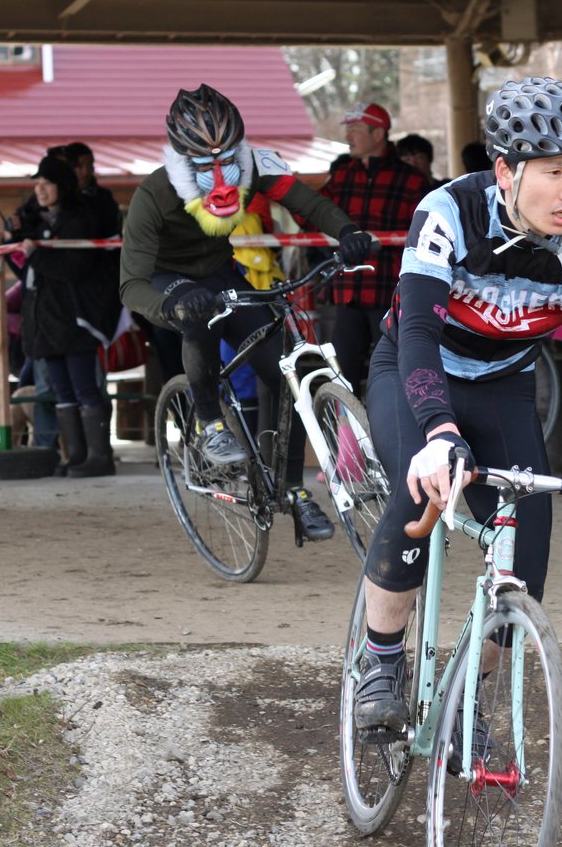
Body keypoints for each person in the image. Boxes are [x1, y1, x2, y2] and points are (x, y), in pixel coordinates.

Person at [351, 77, 562, 745]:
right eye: (553, 172)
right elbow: (418, 333)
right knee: (416, 496)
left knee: (525, 562)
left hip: (504, 386)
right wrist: (437, 432)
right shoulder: (447, 213)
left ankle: (466, 697)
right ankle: (379, 663)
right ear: (506, 172)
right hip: (414, 372)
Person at [119, 84, 373, 539]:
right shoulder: (154, 194)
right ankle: (210, 422)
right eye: (203, 167)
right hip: (165, 281)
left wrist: (348, 231)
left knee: (285, 368)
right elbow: (130, 284)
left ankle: (293, 491)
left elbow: (307, 202)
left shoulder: (252, 165)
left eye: (227, 163)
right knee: (196, 316)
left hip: (220, 273)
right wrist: (170, 306)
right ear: (181, 161)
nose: (220, 177)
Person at [6, 155, 120, 477]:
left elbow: (74, 268)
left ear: (62, 186)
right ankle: (77, 456)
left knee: (85, 389)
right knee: (62, 393)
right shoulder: (41, 223)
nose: (39, 190)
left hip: (74, 319)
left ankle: (99, 457)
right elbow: (29, 267)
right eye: (37, 184)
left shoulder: (80, 220)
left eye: (47, 183)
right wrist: (16, 243)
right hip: (45, 321)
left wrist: (36, 254)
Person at [315, 102, 429, 394]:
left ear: (378, 134)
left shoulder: (412, 180)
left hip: (389, 292)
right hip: (349, 291)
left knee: (391, 373)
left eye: (355, 129)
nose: (349, 136)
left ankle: (392, 432)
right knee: (342, 374)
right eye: (348, 130)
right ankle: (344, 438)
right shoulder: (342, 175)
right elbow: (310, 214)